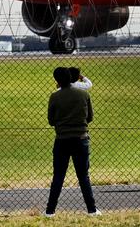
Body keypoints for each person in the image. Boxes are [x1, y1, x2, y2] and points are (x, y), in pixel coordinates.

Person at [45, 67, 101, 217]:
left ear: (56, 80)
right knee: (83, 176)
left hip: (62, 139)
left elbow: (51, 121)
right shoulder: (84, 94)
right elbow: (90, 118)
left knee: (58, 176)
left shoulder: (54, 96)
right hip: (81, 139)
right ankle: (92, 210)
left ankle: (50, 211)